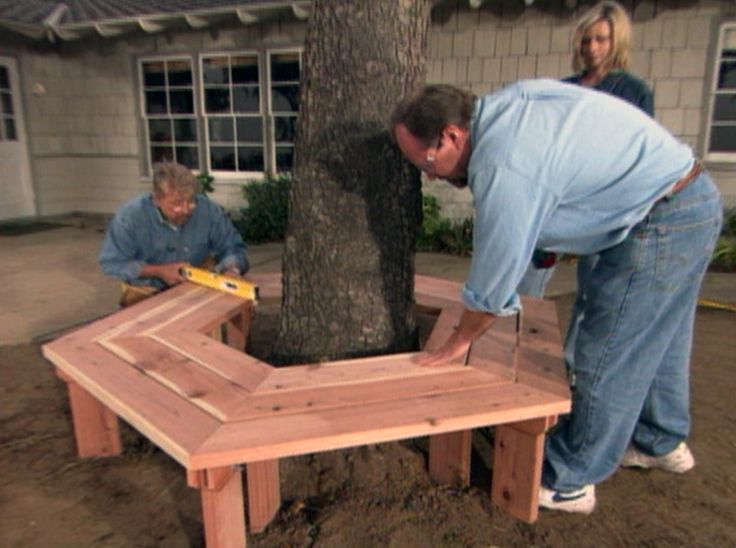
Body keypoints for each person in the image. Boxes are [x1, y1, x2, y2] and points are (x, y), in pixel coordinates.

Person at [391, 82, 722, 514]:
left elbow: (491, 284)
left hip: (660, 218)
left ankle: (570, 478)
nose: (430, 176)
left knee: (609, 350)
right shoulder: (509, 107)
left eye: (427, 162)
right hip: (684, 198)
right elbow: (561, 175)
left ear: (452, 135)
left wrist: (460, 340)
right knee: (658, 335)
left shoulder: (501, 164)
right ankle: (659, 439)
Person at [517, 0, 653, 298]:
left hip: (604, 203)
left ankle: (580, 346)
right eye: (586, 39)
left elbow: (640, 154)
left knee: (594, 292)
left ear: (616, 41)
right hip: (559, 198)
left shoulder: (632, 91)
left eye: (601, 39)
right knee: (527, 281)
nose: (592, 47)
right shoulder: (565, 89)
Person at [99, 162, 249, 307]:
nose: (186, 209)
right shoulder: (130, 218)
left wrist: (232, 269)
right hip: (146, 292)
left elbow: (234, 247)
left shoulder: (208, 210)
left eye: (191, 201)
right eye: (177, 203)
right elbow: (112, 263)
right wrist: (160, 271)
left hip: (197, 287)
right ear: (157, 199)